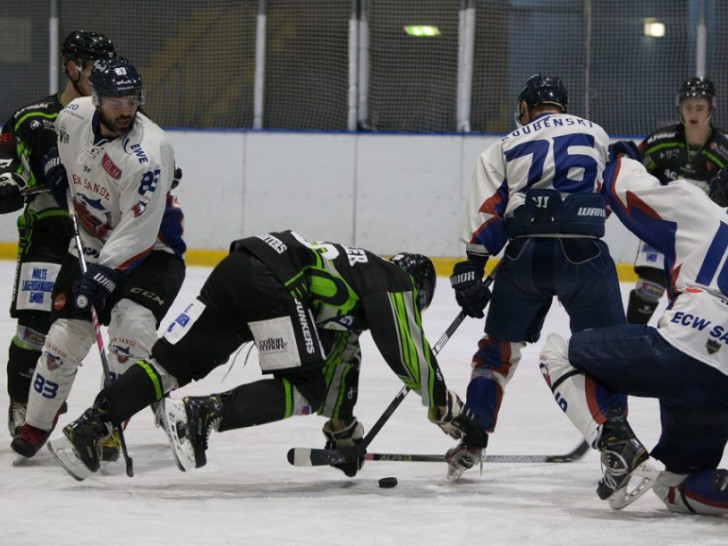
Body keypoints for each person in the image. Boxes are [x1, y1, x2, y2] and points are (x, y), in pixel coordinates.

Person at [47, 230, 470, 481]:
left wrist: (344, 435)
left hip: (240, 267)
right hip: (273, 283)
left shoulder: (351, 289)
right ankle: (204, 414)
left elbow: (340, 366)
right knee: (306, 386)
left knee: (171, 364)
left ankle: (91, 426)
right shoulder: (393, 279)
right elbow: (409, 353)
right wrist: (450, 413)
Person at [444, 73, 625, 481]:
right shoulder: (596, 133)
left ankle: (473, 439)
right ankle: (618, 448)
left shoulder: (507, 144)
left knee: (496, 354)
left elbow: (487, 212)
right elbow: (612, 194)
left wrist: (472, 266)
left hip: (526, 255)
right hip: (586, 256)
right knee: (611, 353)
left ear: (526, 107)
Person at [10, 56, 186, 460]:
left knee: (129, 334)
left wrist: (104, 273)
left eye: (132, 100)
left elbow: (139, 232)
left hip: (152, 254)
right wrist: (57, 170)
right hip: (89, 243)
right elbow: (65, 147)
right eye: (115, 102)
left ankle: (105, 426)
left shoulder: (149, 152)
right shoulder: (73, 115)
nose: (126, 110)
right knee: (61, 341)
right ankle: (37, 424)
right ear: (96, 98)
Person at [539, 155, 728, 513]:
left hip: (678, 350)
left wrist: (623, 157)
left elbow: (622, 187)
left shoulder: (701, 208)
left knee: (558, 352)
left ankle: (615, 442)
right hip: (723, 381)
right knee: (677, 485)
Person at [0, 31, 116, 439]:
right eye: (93, 68)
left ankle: (111, 413)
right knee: (34, 327)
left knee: (101, 324)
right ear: (72, 68)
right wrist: (8, 184)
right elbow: (5, 165)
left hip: (101, 237)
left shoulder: (113, 116)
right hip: (47, 233)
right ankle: (22, 403)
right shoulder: (31, 118)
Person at [627, 77, 728, 325]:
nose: (693, 113)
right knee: (648, 288)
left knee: (693, 293)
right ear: (680, 107)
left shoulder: (724, 149)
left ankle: (680, 340)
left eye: (700, 107)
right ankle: (629, 336)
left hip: (704, 234)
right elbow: (633, 167)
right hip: (661, 225)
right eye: (688, 107)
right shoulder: (660, 141)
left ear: (711, 109)